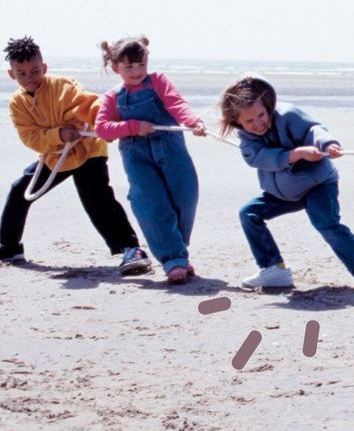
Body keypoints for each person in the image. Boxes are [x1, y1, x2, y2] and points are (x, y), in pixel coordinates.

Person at [219, 75, 354, 302]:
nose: (258, 123)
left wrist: (327, 144)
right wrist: (297, 153)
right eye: (249, 121)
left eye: (261, 115)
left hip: (318, 183)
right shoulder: (246, 137)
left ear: (268, 107)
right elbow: (258, 158)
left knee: (326, 223)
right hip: (284, 192)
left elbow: (314, 129)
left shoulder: (288, 115)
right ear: (238, 123)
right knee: (249, 213)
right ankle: (274, 270)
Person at [1, 36, 151, 273]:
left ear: (45, 68)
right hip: (55, 154)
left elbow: (90, 105)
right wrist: (58, 134)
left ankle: (131, 249)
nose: (29, 78)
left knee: (97, 199)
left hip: (88, 150)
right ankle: (9, 247)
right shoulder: (17, 103)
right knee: (20, 189)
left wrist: (104, 125)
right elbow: (30, 136)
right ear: (12, 75)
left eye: (35, 71)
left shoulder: (64, 86)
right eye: (22, 73)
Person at [94, 36, 205, 284]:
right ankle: (173, 259)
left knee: (186, 196)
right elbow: (102, 129)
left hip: (171, 148)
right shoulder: (112, 97)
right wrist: (133, 127)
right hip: (137, 155)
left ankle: (178, 251)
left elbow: (176, 104)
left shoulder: (158, 81)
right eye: (129, 67)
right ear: (116, 68)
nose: (136, 71)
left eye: (141, 64)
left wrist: (193, 122)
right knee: (151, 203)